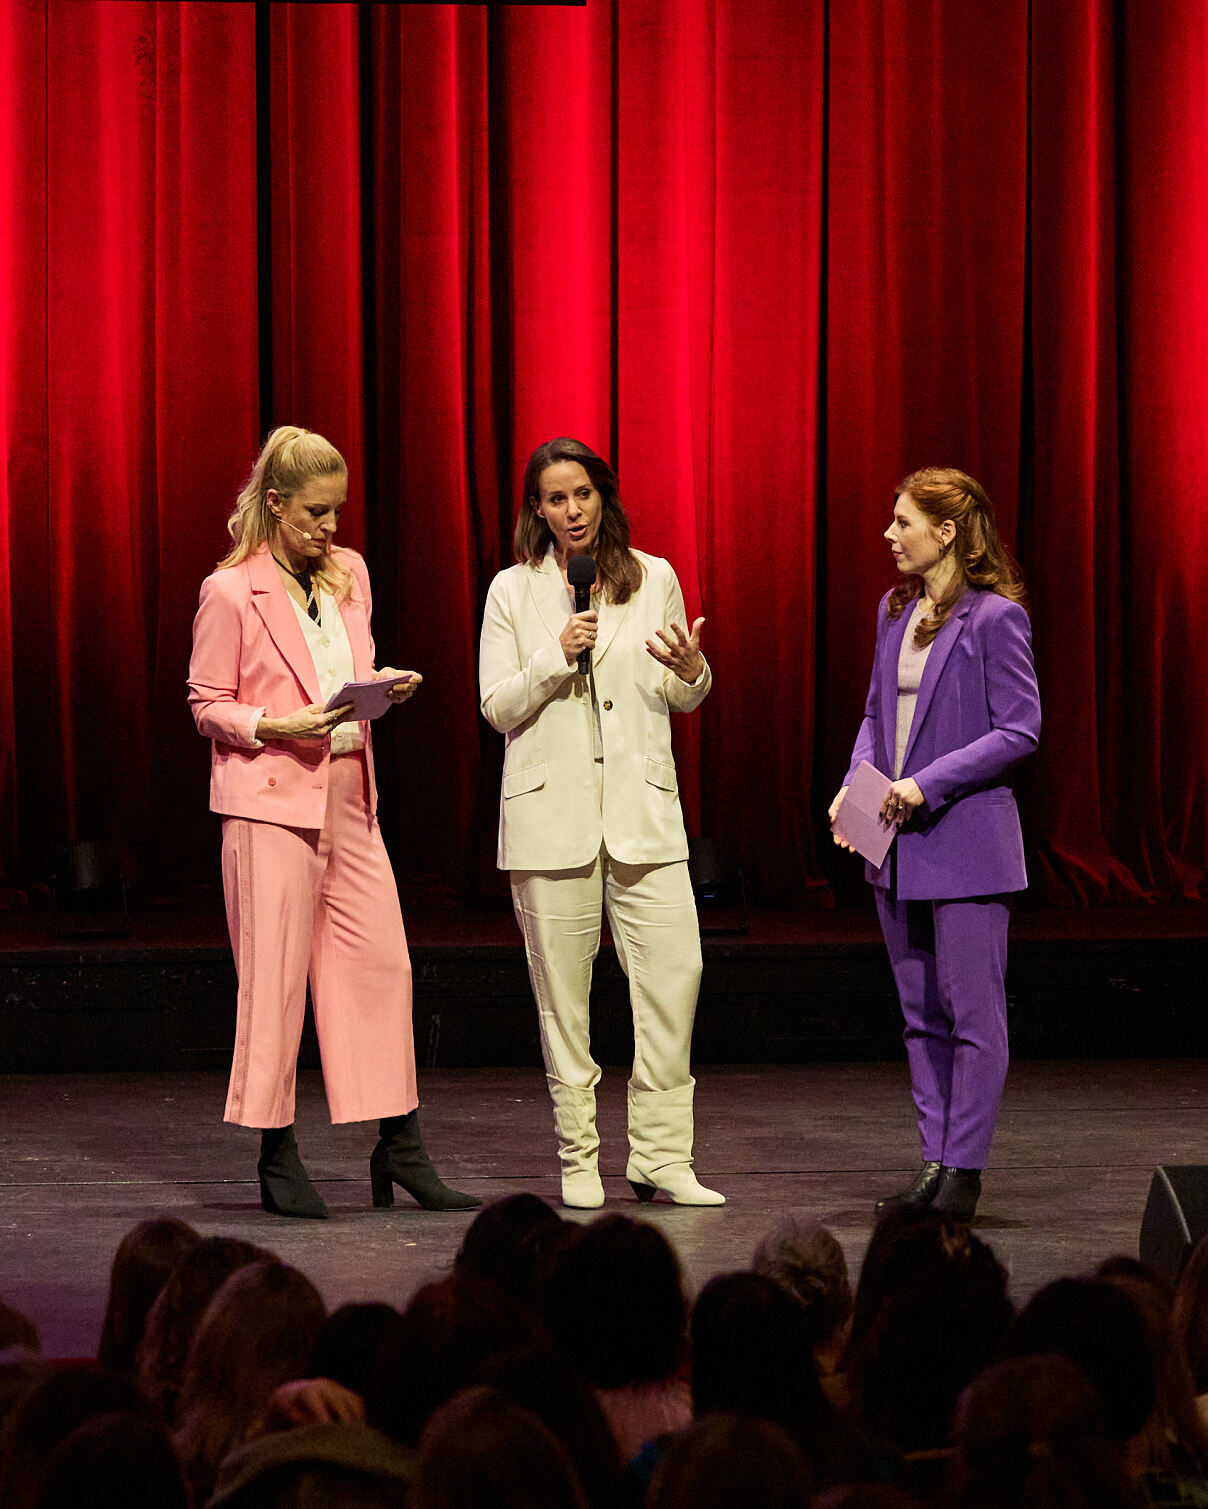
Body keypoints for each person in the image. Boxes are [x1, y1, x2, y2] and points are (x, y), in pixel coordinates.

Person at [188, 425, 478, 1217]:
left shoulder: (349, 572)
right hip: (270, 800)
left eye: (338, 512)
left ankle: (401, 1145)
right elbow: (205, 703)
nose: (330, 527)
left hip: (350, 790)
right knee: (275, 983)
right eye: (316, 512)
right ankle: (275, 1153)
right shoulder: (230, 589)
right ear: (275, 504)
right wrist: (271, 726)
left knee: (382, 965)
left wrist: (385, 683)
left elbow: (346, 669)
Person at [479, 437, 720, 1208]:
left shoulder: (654, 577)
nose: (572, 510)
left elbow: (681, 691)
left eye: (582, 493)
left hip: (644, 815)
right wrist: (555, 655)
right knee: (565, 999)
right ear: (537, 510)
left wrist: (693, 673)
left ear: (602, 495)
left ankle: (661, 1156)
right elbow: (497, 706)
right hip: (552, 818)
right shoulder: (513, 591)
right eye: (556, 498)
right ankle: (579, 1156)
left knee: (673, 981)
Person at [829, 466, 1040, 1223]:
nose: (890, 535)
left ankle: (966, 1167)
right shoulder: (896, 614)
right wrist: (856, 782)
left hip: (967, 843)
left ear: (946, 531)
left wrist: (929, 783)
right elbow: (874, 716)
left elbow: (1020, 727)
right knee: (920, 1013)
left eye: (904, 522)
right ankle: (934, 1159)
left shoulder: (993, 618)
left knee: (973, 1014)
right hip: (896, 845)